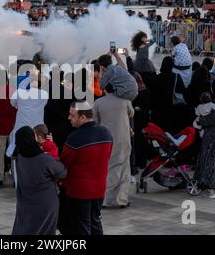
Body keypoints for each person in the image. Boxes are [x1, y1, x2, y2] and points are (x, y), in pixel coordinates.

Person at [61, 101, 113, 235]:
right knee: (95, 224)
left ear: (83, 117)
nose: (68, 118)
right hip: (99, 189)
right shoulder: (106, 133)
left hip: (79, 192)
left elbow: (63, 165)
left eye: (72, 115)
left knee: (81, 229)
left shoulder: (75, 138)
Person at [12, 126, 67, 235]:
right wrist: (52, 148)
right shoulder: (44, 159)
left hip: (25, 202)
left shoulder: (19, 157)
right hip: (44, 204)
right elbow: (62, 172)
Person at [93, 85, 134, 208]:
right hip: (123, 138)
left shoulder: (98, 102)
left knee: (106, 167)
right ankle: (121, 199)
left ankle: (104, 199)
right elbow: (131, 113)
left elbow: (95, 120)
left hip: (105, 139)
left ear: (105, 89)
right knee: (124, 166)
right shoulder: (125, 101)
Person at [150, 56, 189, 134]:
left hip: (159, 110)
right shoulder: (177, 77)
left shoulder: (157, 78)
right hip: (173, 109)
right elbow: (183, 92)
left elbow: (152, 94)